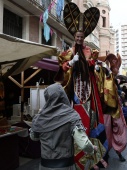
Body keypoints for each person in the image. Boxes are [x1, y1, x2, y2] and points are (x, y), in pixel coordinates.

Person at [58, 2, 110, 169]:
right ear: (74, 36)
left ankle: (95, 156)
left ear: (84, 37)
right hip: (75, 93)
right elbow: (62, 70)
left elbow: (95, 66)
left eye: (81, 36)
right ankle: (82, 157)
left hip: (89, 91)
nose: (79, 38)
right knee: (78, 123)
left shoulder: (89, 51)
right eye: (77, 36)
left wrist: (95, 67)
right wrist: (69, 65)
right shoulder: (68, 52)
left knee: (92, 122)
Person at [30, 83, 98, 170]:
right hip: (65, 167)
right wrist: (92, 149)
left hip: (44, 167)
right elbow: (84, 144)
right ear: (63, 96)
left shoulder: (40, 117)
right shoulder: (71, 115)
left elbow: (34, 137)